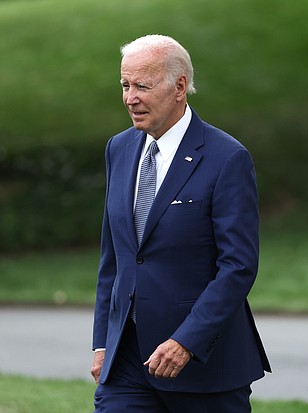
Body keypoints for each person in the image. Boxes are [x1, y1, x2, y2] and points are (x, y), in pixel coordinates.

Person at [90, 34, 271, 412]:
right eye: (125, 85)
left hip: (206, 366)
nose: (130, 98)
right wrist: (103, 342)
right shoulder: (118, 148)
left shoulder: (227, 157)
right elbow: (115, 258)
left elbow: (237, 266)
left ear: (180, 87)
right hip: (127, 364)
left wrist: (186, 341)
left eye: (143, 85)